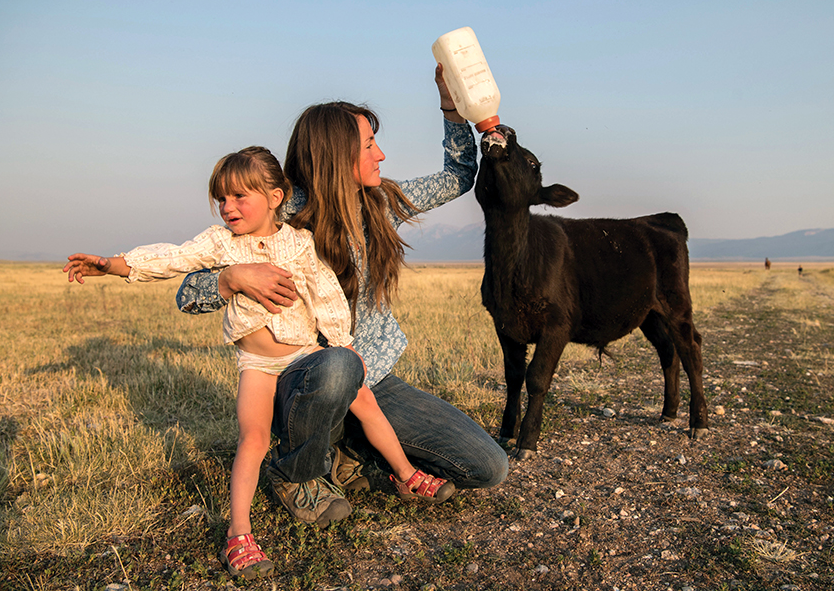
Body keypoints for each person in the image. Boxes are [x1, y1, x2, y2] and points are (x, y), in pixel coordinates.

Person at [64, 146, 454, 581]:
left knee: (366, 401)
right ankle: (239, 534)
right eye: (221, 199)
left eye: (239, 197)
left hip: (306, 352)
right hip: (258, 365)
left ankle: (405, 474)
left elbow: (325, 296)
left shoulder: (299, 242)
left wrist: (344, 345)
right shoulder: (220, 243)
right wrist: (112, 265)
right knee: (252, 439)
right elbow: (172, 259)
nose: (228, 208)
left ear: (275, 197)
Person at [175, 65, 509, 529]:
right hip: (301, 383)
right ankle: (296, 472)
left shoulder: (382, 202)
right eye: (369, 145)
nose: (381, 154)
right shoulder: (280, 215)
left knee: (488, 467)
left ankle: (353, 452)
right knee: (336, 366)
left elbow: (458, 176)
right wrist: (232, 277)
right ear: (336, 155)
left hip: (374, 384)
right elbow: (187, 293)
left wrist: (451, 105)